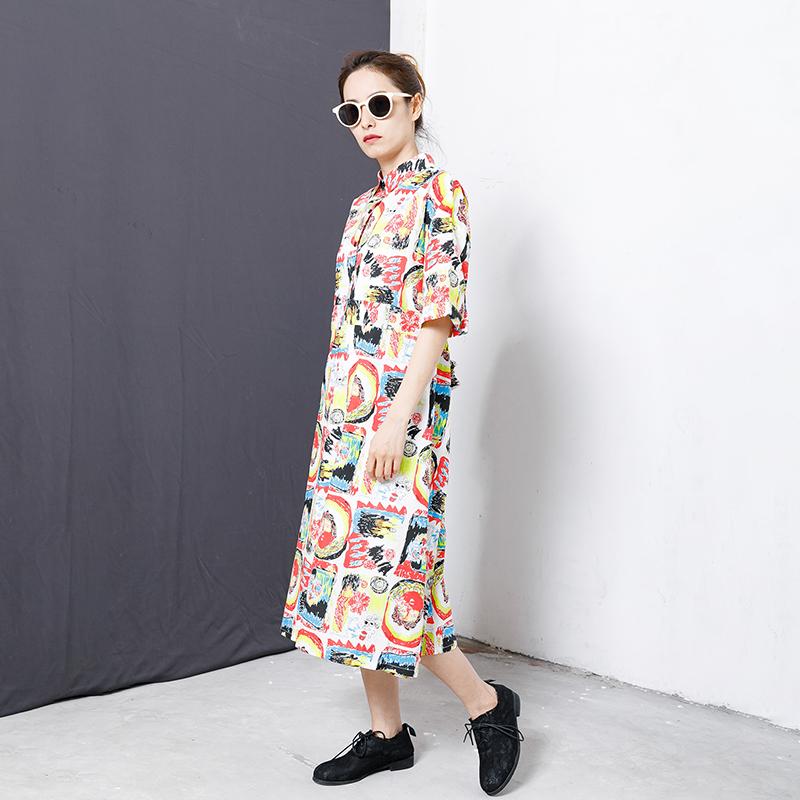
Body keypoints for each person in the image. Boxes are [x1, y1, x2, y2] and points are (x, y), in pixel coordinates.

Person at [278, 49, 524, 795]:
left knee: (395, 570)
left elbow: (435, 321)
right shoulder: (362, 208)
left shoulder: (440, 194)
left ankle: (487, 705)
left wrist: (396, 420)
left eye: (379, 104)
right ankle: (388, 736)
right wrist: (346, 421)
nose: (365, 122)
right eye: (351, 112)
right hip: (345, 417)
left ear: (414, 102)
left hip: (401, 418)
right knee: (353, 573)